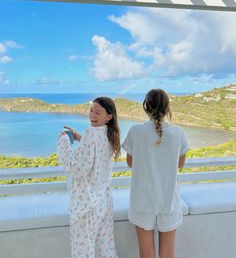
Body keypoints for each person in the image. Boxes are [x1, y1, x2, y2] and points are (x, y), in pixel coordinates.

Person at [122, 89, 189, 258]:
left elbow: (130, 163)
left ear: (145, 107)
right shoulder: (179, 133)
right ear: (167, 109)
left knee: (146, 253)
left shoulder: (136, 131)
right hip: (169, 200)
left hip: (142, 199)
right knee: (167, 253)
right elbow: (180, 165)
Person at [57, 97, 120, 258]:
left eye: (98, 112)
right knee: (105, 248)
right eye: (91, 110)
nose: (92, 115)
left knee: (83, 252)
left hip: (87, 205)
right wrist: (80, 138)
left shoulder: (91, 134)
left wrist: (64, 142)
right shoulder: (110, 134)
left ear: (109, 116)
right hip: (104, 201)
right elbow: (96, 151)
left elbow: (78, 169)